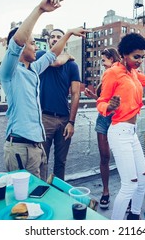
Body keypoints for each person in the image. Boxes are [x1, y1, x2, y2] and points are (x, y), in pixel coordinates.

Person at [0, 0, 66, 180]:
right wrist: (40, 9)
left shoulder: (33, 69)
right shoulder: (8, 71)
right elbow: (17, 42)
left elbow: (52, 55)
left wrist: (69, 34)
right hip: (20, 148)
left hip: (37, 147)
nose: (37, 47)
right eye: (33, 43)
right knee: (23, 203)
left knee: (39, 196)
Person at [97, 33, 145, 220]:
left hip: (132, 133)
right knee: (129, 185)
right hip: (119, 132)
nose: (140, 61)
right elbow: (101, 101)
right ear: (124, 54)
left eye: (142, 57)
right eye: (136, 56)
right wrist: (108, 107)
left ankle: (133, 216)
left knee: (142, 180)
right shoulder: (113, 73)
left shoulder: (133, 73)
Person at [36, 27, 89, 180]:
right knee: (41, 160)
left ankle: (58, 193)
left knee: (61, 162)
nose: (55, 39)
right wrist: (65, 55)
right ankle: (42, 192)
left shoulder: (72, 66)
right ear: (48, 40)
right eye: (53, 37)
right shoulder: (41, 56)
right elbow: (56, 62)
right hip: (45, 118)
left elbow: (75, 93)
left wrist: (71, 122)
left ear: (64, 42)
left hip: (64, 119)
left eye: (59, 37)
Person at [84, 48, 121, 209]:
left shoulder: (121, 73)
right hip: (103, 120)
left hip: (118, 120)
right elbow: (104, 100)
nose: (102, 63)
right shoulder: (105, 75)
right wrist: (94, 97)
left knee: (121, 158)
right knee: (104, 157)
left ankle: (127, 194)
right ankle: (105, 191)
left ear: (112, 59)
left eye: (104, 60)